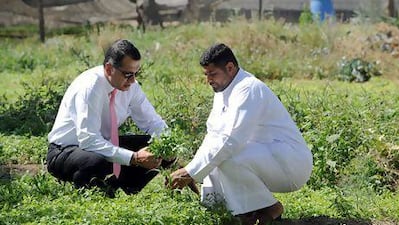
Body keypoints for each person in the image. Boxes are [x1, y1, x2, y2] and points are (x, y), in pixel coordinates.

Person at [168, 43, 313, 225]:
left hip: (291, 163)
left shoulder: (248, 88)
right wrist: (192, 169)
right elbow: (214, 136)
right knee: (215, 154)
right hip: (267, 158)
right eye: (206, 75)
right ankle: (224, 211)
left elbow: (231, 140)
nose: (208, 80)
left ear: (230, 68)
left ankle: (269, 208)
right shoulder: (224, 89)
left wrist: (191, 172)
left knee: (225, 155)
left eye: (212, 74)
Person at [47, 39, 172, 197]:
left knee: (159, 146)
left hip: (103, 143)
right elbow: (88, 140)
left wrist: (169, 146)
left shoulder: (131, 87)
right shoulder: (90, 87)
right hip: (66, 151)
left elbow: (153, 122)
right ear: (109, 68)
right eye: (127, 74)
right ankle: (91, 191)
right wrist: (134, 158)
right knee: (95, 161)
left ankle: (120, 187)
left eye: (136, 73)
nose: (133, 80)